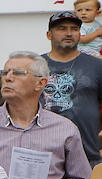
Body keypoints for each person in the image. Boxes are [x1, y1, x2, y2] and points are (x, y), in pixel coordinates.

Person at [43, 10, 102, 167]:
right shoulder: (34, 66)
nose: (69, 33)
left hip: (88, 155)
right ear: (49, 35)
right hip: (43, 155)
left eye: (74, 29)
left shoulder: (97, 66)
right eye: (61, 28)